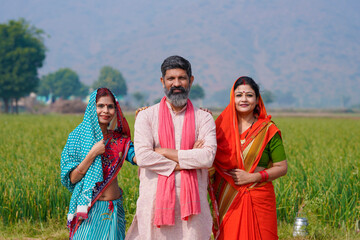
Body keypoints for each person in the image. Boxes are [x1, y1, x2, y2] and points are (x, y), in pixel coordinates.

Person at [126, 55, 217, 240]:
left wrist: (164, 152)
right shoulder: (146, 117)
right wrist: (191, 159)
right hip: (154, 203)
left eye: (182, 78)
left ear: (190, 80)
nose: (177, 83)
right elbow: (143, 157)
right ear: (162, 81)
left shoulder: (204, 118)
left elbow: (207, 158)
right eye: (171, 79)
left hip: (193, 208)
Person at [209, 76, 287, 240]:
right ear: (233, 98)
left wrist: (252, 177)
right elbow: (209, 160)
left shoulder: (268, 130)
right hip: (228, 198)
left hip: (259, 198)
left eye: (249, 95)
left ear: (257, 99)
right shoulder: (219, 129)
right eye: (239, 95)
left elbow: (282, 167)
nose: (244, 99)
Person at [61, 88, 137, 240]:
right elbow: (72, 179)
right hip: (89, 211)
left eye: (110, 106)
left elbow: (139, 158)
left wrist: (145, 120)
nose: (106, 111)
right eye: (100, 106)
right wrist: (93, 153)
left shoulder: (118, 140)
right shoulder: (77, 137)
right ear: (91, 107)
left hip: (112, 210)